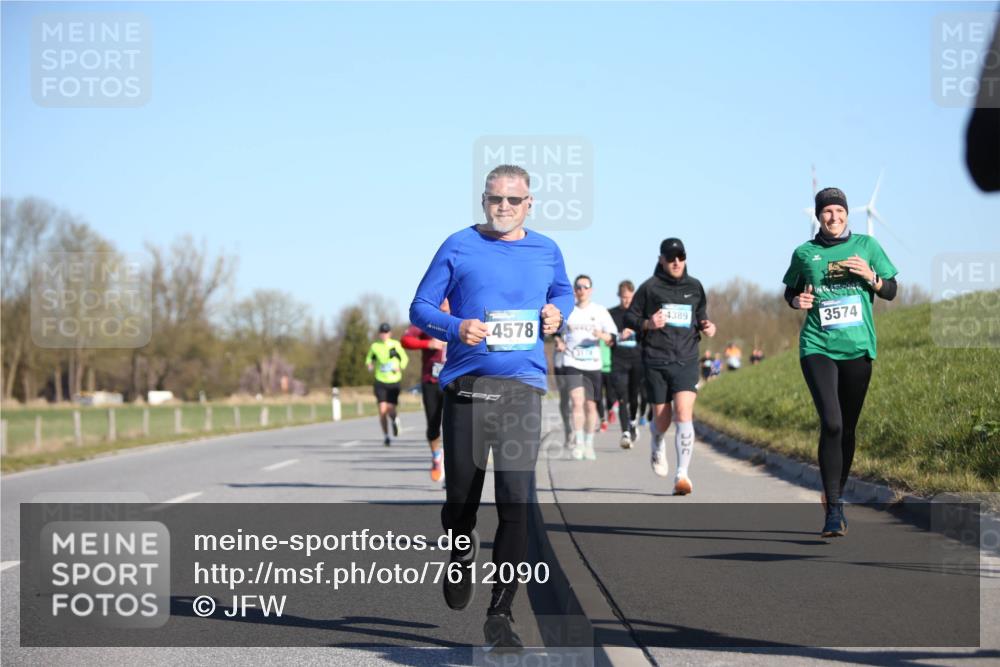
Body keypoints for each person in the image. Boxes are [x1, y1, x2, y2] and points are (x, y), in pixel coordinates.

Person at [409, 164, 573, 651]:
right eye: (495, 199)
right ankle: (460, 554)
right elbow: (419, 307)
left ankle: (501, 614)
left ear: (530, 204)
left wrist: (555, 311)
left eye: (513, 201)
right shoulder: (458, 244)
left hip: (524, 386)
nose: (504, 208)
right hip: (468, 386)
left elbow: (560, 290)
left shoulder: (547, 250)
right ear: (484, 201)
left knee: (516, 501)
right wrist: (455, 327)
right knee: (461, 499)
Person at [784, 187, 898, 538]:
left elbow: (891, 289)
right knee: (831, 423)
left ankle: (835, 493)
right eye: (826, 212)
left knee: (847, 429)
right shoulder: (805, 253)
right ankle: (833, 510)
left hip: (859, 348)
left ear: (848, 214)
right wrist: (796, 300)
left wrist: (871, 276)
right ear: (817, 216)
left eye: (838, 211)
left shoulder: (868, 247)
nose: (833, 218)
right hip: (818, 346)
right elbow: (790, 290)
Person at [625, 238, 716, 495]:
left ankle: (682, 475)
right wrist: (648, 323)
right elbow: (631, 317)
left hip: (686, 359)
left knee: (684, 413)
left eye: (681, 257)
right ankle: (656, 438)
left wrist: (709, 326)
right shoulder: (650, 288)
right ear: (661, 260)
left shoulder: (695, 287)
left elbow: (701, 317)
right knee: (663, 419)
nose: (676, 262)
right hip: (656, 359)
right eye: (671, 258)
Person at [555, 275, 618, 461]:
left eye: (585, 287)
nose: (581, 290)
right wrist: (559, 341)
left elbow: (613, 336)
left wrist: (603, 335)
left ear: (591, 290)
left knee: (591, 406)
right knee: (576, 401)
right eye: (578, 287)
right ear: (574, 290)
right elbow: (555, 332)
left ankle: (589, 443)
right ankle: (579, 442)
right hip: (572, 362)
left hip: (592, 364)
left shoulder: (600, 311)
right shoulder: (568, 311)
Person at [402, 300, 450, 482]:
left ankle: (453, 468)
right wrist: (428, 345)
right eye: (442, 296)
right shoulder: (428, 319)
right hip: (431, 381)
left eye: (449, 295)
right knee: (433, 425)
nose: (445, 300)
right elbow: (405, 340)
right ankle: (437, 456)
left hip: (454, 380)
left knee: (455, 425)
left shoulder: (461, 315)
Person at [608, 280, 644, 449]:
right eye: (623, 298)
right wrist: (617, 336)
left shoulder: (640, 314)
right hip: (619, 360)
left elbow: (647, 333)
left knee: (633, 396)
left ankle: (633, 421)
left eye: (629, 298)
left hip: (637, 360)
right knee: (622, 396)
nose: (626, 301)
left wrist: (635, 331)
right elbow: (608, 336)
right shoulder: (611, 314)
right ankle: (625, 433)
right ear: (618, 296)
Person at [365, 323, 409, 446]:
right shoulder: (375, 346)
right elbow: (369, 359)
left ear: (390, 333)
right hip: (380, 380)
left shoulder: (396, 345)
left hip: (394, 381)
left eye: (386, 332)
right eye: (382, 332)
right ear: (379, 334)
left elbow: (404, 359)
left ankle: (395, 420)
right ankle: (386, 436)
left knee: (391, 409)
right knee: (382, 410)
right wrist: (369, 365)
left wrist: (399, 367)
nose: (384, 335)